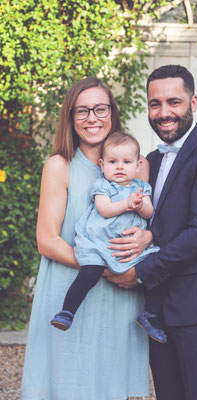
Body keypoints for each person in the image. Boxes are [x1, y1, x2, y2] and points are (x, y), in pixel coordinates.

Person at [105, 64, 197, 400]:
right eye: (155, 104)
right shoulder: (146, 160)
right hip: (156, 309)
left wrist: (139, 273)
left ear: (193, 103)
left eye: (174, 102)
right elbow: (146, 223)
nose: (164, 113)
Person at [21, 77, 153, 400]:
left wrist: (147, 237)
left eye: (100, 108)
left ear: (112, 112)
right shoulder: (59, 165)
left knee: (111, 388)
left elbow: (144, 218)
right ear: (70, 117)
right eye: (82, 111)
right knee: (67, 386)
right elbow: (47, 240)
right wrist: (103, 267)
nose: (92, 118)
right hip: (71, 292)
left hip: (119, 296)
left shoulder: (139, 165)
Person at [50, 131, 166, 342]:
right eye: (113, 162)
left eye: (126, 162)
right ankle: (67, 312)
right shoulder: (103, 185)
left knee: (156, 270)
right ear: (102, 165)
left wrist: (140, 205)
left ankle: (150, 314)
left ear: (137, 166)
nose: (120, 167)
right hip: (101, 243)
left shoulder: (141, 187)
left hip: (131, 250)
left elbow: (149, 213)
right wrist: (126, 204)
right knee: (89, 272)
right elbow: (104, 209)